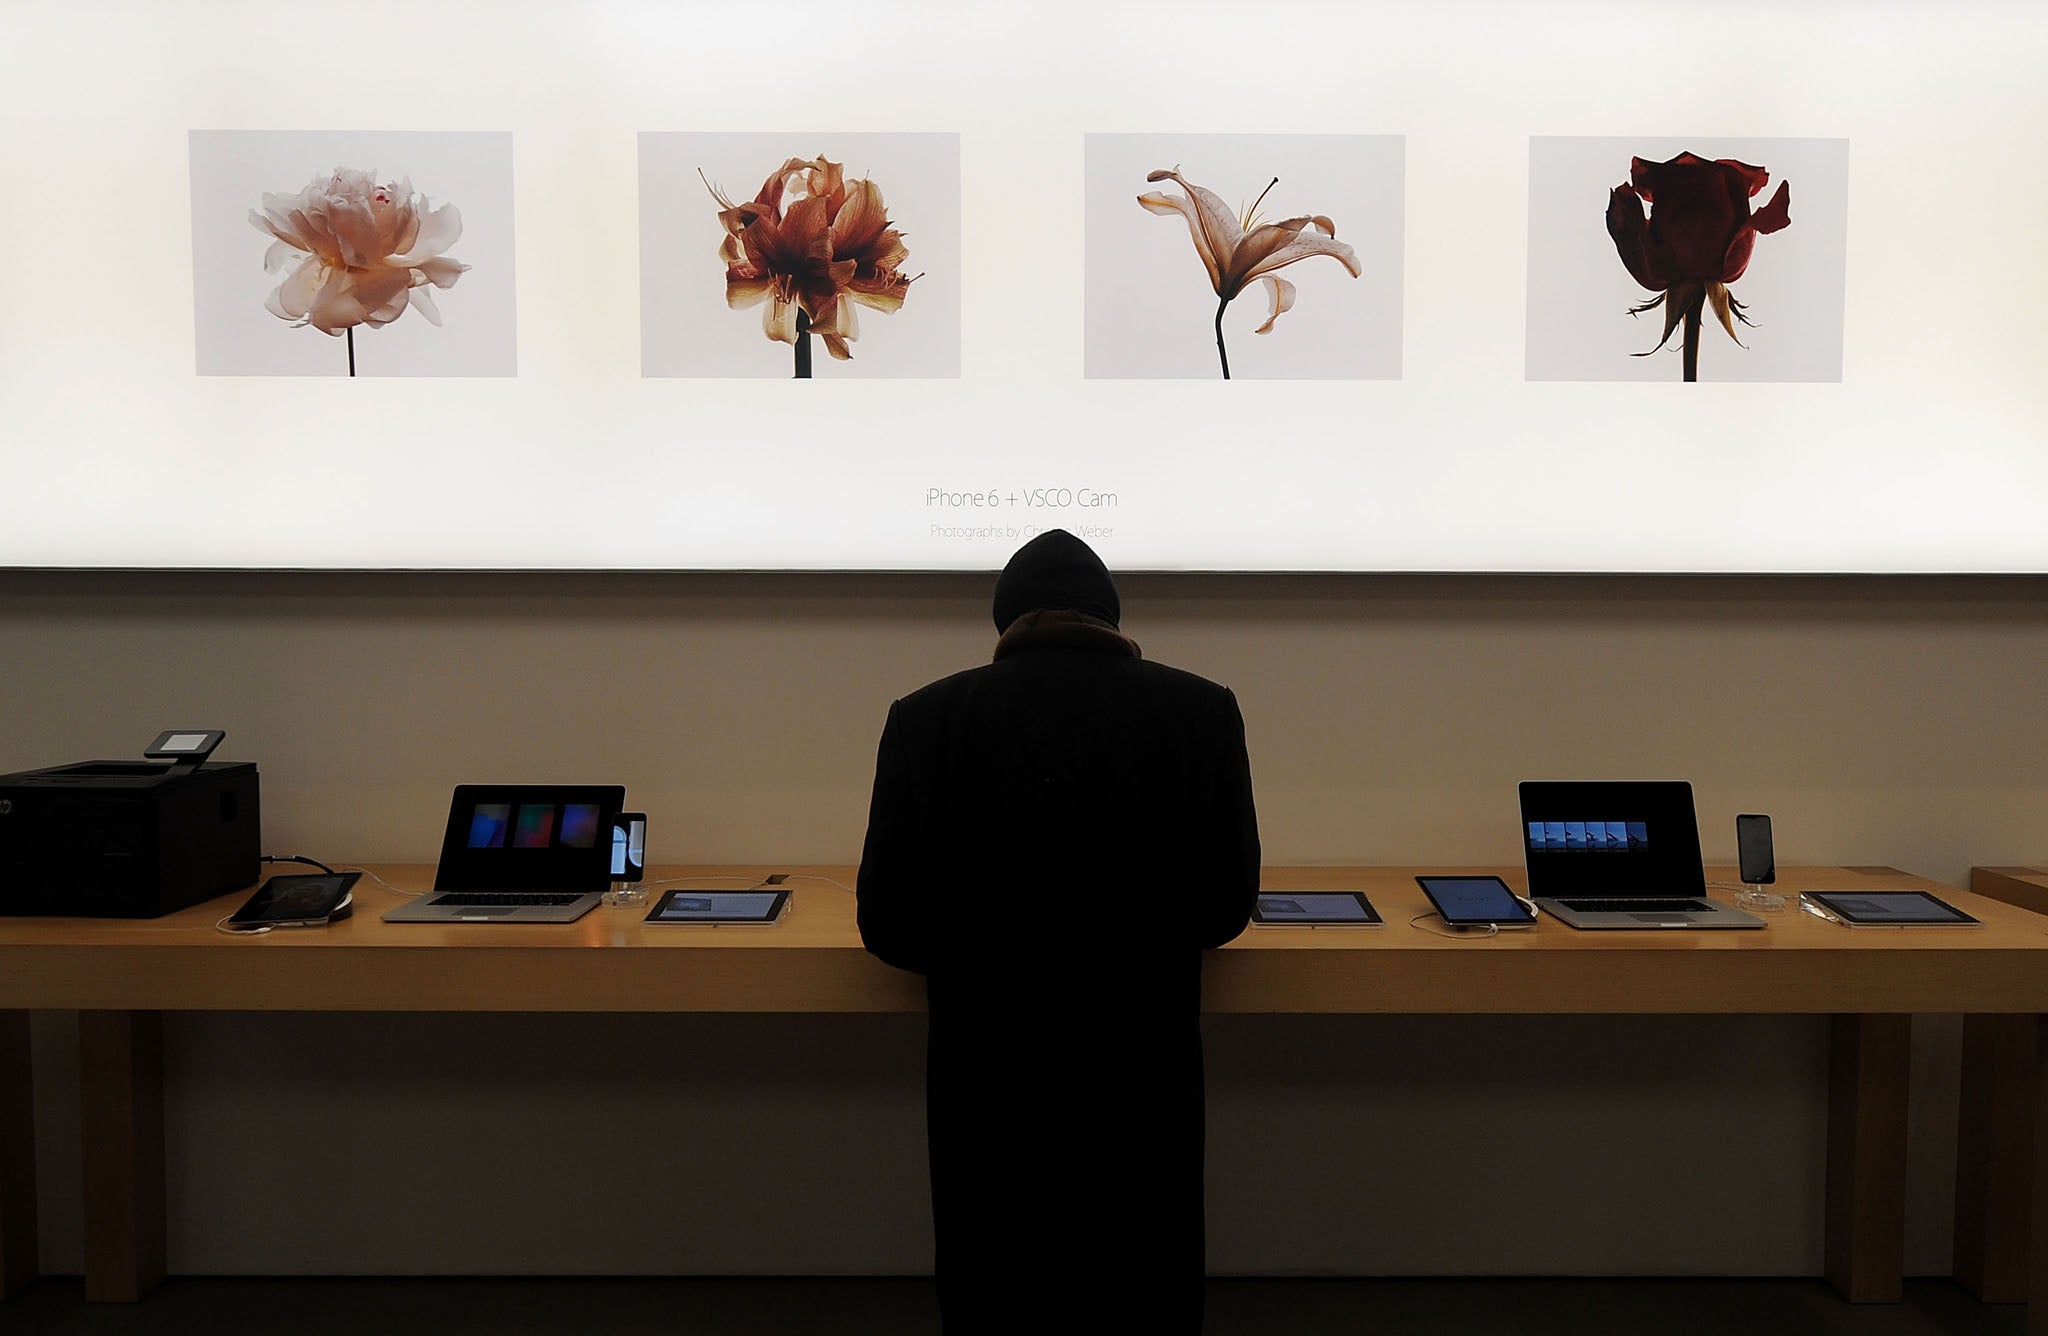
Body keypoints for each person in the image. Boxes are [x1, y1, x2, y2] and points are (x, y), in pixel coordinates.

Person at [856, 528, 1261, 1334]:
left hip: (989, 1073)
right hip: (1143, 1068)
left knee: (996, 1280)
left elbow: (889, 921)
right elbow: (1224, 907)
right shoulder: (1202, 709)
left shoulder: (926, 717)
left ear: (1004, 621)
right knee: (1143, 1277)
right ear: (1110, 616)